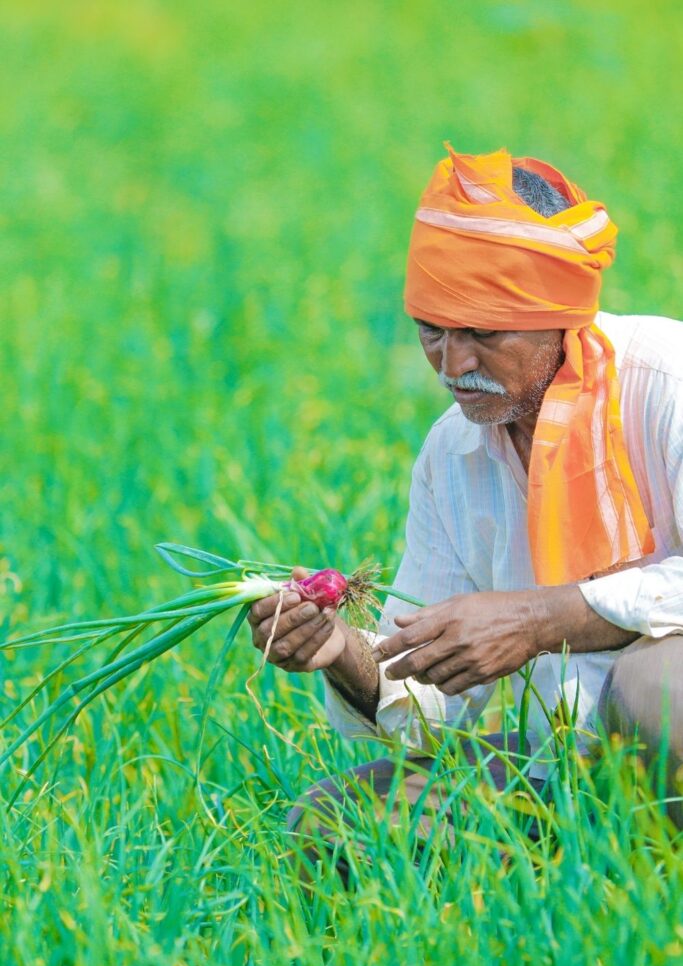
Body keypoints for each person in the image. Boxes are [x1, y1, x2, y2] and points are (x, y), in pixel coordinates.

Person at [248, 143, 683, 842]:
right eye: (431, 331)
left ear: (559, 315)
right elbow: (424, 698)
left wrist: (542, 619)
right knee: (335, 823)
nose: (453, 366)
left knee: (660, 689)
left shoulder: (667, 382)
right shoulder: (453, 452)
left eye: (481, 333)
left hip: (660, 723)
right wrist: (339, 651)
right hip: (564, 765)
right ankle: (587, 884)